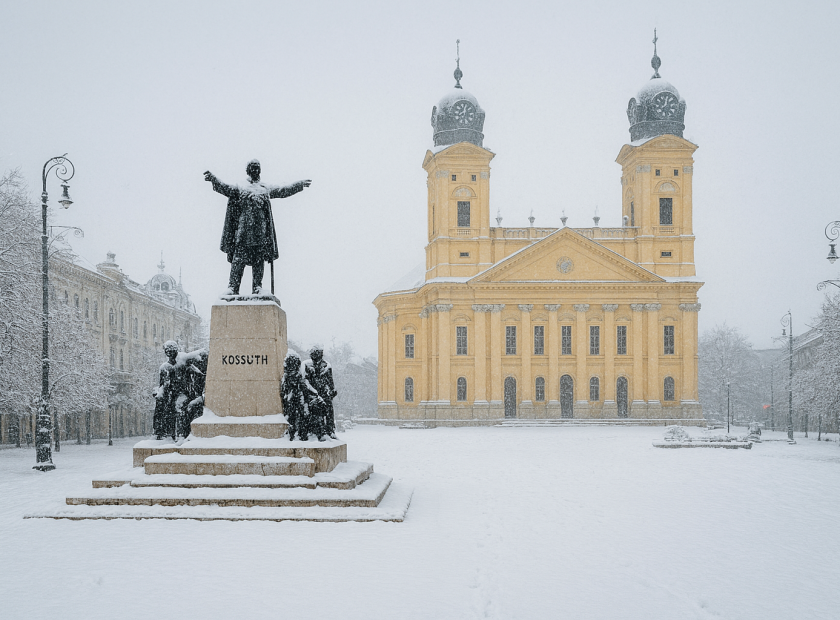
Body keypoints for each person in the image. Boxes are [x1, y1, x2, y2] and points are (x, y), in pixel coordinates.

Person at [203, 160, 311, 295]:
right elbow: (225, 188)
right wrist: (214, 179)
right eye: (253, 168)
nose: (255, 171)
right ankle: (233, 287)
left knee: (258, 260)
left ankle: (257, 287)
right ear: (248, 171)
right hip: (243, 231)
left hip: (260, 232)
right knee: (238, 260)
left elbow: (283, 190)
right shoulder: (240, 187)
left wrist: (298, 185)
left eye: (257, 168)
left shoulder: (264, 188)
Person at [281, 351, 320, 441]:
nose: (292, 367)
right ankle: (297, 434)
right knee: (294, 415)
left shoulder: (296, 376)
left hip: (298, 398)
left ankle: (300, 434)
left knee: (300, 415)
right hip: (293, 399)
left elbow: (303, 388)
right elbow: (285, 389)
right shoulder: (287, 377)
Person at [305, 347, 338, 440]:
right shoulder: (308, 365)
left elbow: (330, 381)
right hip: (313, 394)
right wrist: (313, 393)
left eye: (316, 355)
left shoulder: (327, 366)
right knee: (317, 411)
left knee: (329, 411)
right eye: (313, 356)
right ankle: (320, 431)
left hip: (324, 393)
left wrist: (332, 391)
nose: (314, 358)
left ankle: (330, 431)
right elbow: (306, 381)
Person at [153, 341, 182, 440]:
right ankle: (160, 431)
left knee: (168, 407)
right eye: (168, 351)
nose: (170, 353)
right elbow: (162, 384)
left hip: (178, 393)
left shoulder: (180, 365)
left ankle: (169, 432)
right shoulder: (164, 367)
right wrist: (158, 391)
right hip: (167, 393)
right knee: (161, 406)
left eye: (172, 351)